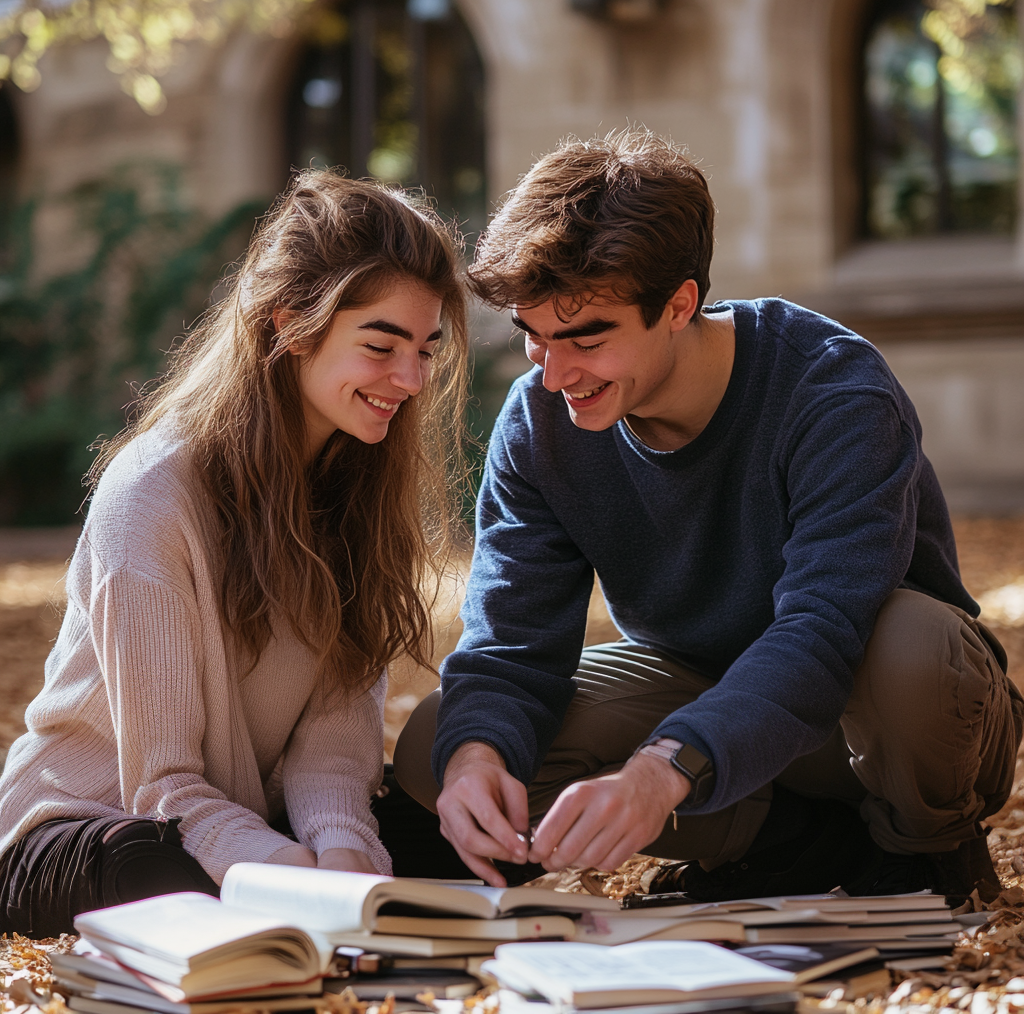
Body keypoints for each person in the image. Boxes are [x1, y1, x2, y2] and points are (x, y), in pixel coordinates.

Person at [393, 129, 1023, 901]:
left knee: (911, 647)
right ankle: (796, 852)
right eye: (534, 337)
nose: (554, 374)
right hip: (701, 697)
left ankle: (924, 856)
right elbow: (512, 644)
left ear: (679, 304)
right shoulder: (541, 424)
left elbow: (823, 633)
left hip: (880, 711)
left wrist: (664, 770)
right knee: (442, 738)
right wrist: (477, 762)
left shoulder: (833, 393)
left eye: (587, 336)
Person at [0, 170, 469, 936]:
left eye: (424, 350)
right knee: (146, 869)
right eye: (381, 345)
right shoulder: (154, 494)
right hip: (98, 822)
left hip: (250, 822)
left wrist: (344, 856)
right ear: (288, 325)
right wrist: (294, 878)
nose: (410, 380)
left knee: (468, 838)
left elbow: (332, 746)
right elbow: (165, 788)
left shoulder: (356, 488)